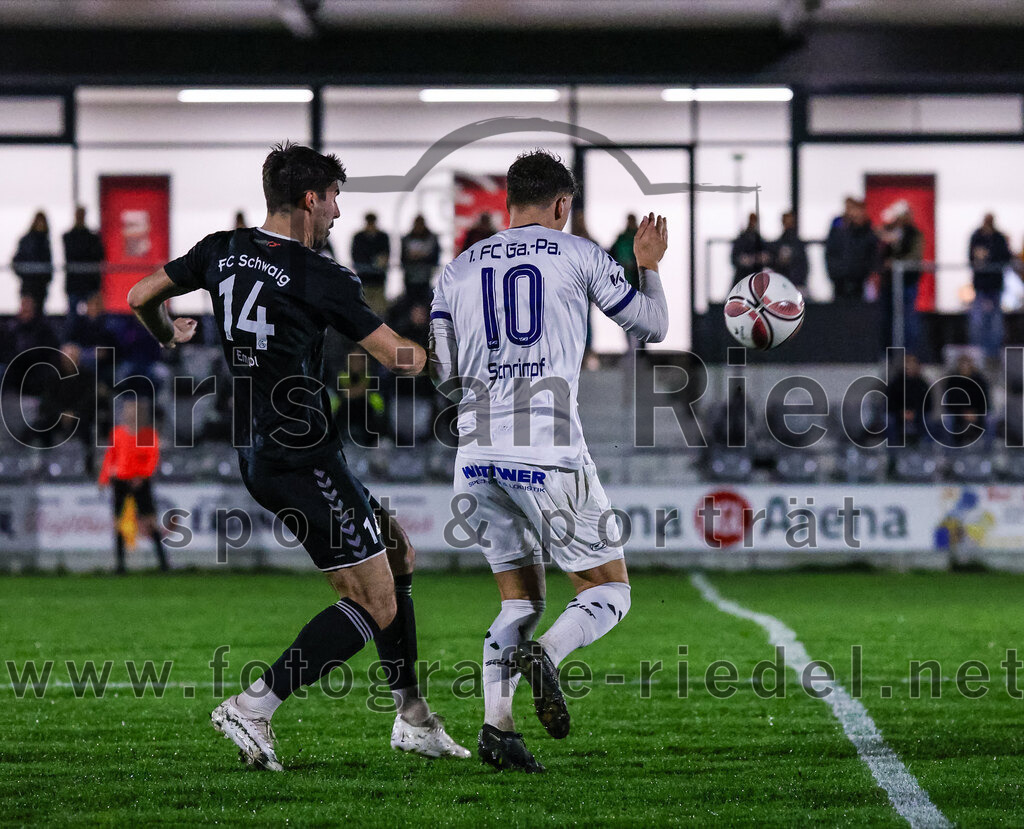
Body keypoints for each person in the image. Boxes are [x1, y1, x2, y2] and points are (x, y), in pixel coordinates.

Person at [126, 142, 468, 770]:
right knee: (375, 599)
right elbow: (396, 355)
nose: (338, 213)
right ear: (311, 198)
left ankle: (413, 717)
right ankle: (254, 707)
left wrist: (167, 333)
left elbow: (141, 294)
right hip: (301, 452)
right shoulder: (320, 274)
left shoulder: (220, 250)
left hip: (261, 451)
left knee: (397, 553)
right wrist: (464, 359)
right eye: (335, 198)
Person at [430, 150, 669, 772]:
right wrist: (646, 268)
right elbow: (652, 326)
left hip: (475, 452)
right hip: (548, 447)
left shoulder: (457, 270)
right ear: (563, 205)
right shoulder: (580, 253)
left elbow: (442, 371)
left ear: (507, 203)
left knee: (519, 603)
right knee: (609, 590)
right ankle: (550, 656)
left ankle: (497, 729)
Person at [97, 398, 170, 573]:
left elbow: (152, 458)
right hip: (120, 481)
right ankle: (120, 565)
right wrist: (103, 478)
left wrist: (142, 476)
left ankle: (163, 564)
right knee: (118, 522)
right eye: (127, 410)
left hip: (140, 482)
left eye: (133, 411)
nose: (129, 414)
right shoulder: (117, 433)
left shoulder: (148, 435)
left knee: (150, 522)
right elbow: (110, 457)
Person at [880, 201, 924, 354]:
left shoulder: (914, 234)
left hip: (907, 283)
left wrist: (897, 263)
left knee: (908, 318)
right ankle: (890, 350)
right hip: (889, 284)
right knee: (889, 319)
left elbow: (915, 257)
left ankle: (910, 352)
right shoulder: (888, 232)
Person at [968, 213, 1012, 364]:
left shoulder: (999, 237)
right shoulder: (976, 236)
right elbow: (971, 259)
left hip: (994, 287)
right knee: (978, 323)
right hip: (981, 287)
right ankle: (979, 354)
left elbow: (1005, 258)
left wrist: (988, 256)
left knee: (995, 324)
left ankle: (993, 355)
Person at [825, 198, 878, 300]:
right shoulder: (838, 227)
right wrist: (834, 271)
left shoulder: (866, 230)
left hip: (859, 278)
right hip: (840, 277)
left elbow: (871, 252)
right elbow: (831, 251)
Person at [63, 206, 106, 319]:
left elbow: (99, 256)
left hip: (89, 282)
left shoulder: (92, 237)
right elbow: (73, 256)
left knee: (93, 317)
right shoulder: (69, 237)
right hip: (75, 283)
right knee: (73, 317)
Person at [350, 212, 390, 316]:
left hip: (378, 279)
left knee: (379, 310)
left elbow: (386, 255)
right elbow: (355, 255)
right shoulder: (359, 237)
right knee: (365, 308)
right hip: (364, 279)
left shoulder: (382, 237)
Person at [12, 211, 53, 309]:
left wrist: (47, 277)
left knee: (38, 313)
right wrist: (27, 272)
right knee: (27, 312)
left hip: (41, 286)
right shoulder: (27, 240)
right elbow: (16, 261)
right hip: (29, 285)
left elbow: (48, 262)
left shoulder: (45, 242)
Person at [399, 215, 440, 304]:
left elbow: (435, 257)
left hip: (426, 275)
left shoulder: (432, 239)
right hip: (410, 276)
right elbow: (403, 258)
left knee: (425, 300)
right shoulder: (406, 239)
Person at [769, 211, 808, 292]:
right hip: (782, 285)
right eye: (787, 222)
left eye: (790, 222)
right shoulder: (778, 244)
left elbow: (803, 266)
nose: (788, 225)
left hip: (796, 284)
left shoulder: (798, 245)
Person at [730, 212, 770, 283]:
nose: (753, 223)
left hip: (756, 277)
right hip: (742, 277)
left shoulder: (760, 240)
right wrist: (744, 260)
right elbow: (734, 259)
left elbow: (767, 258)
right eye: (752, 220)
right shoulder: (741, 240)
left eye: (755, 221)